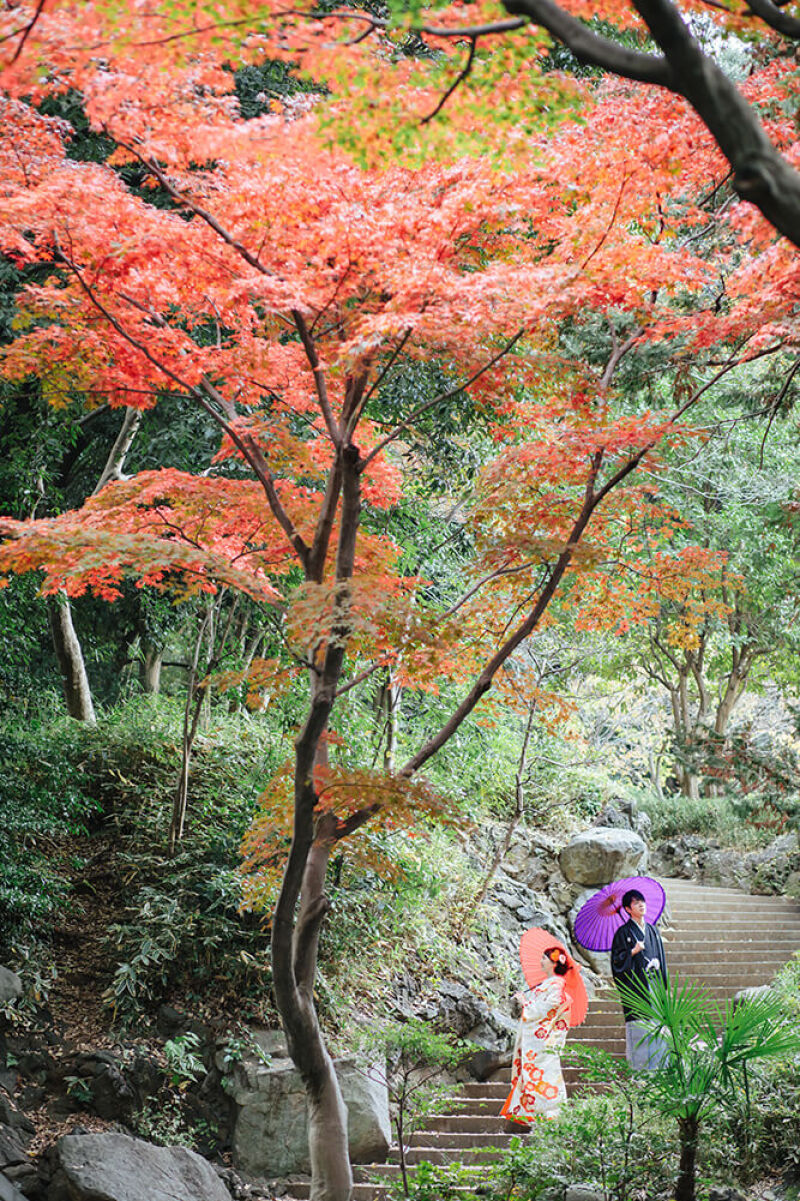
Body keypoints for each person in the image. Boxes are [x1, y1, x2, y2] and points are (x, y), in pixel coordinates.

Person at [500, 947, 572, 1124]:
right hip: (538, 1039)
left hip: (543, 1040)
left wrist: (526, 1002)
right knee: (540, 1075)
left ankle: (551, 1115)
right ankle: (538, 1114)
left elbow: (546, 1010)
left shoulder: (556, 986)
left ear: (554, 963)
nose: (541, 961)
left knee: (545, 1075)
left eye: (544, 958)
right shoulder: (549, 984)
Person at [610, 888, 668, 1069]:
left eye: (642, 901)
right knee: (640, 1030)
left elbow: (662, 957)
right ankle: (640, 1073)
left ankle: (661, 1069)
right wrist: (632, 952)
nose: (641, 905)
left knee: (659, 1028)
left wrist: (662, 979)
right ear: (627, 909)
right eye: (636, 903)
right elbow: (616, 964)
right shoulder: (622, 933)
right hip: (636, 989)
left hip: (655, 986)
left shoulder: (653, 930)